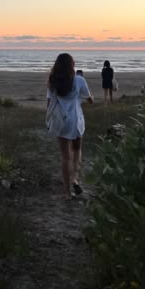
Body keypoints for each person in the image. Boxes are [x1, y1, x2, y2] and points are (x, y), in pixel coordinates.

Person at [46, 53, 93, 201]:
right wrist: (89, 100)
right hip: (76, 121)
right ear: (72, 65)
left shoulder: (53, 81)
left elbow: (49, 104)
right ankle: (75, 179)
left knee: (65, 157)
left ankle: (67, 193)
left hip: (61, 121)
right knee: (77, 151)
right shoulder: (79, 80)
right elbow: (89, 98)